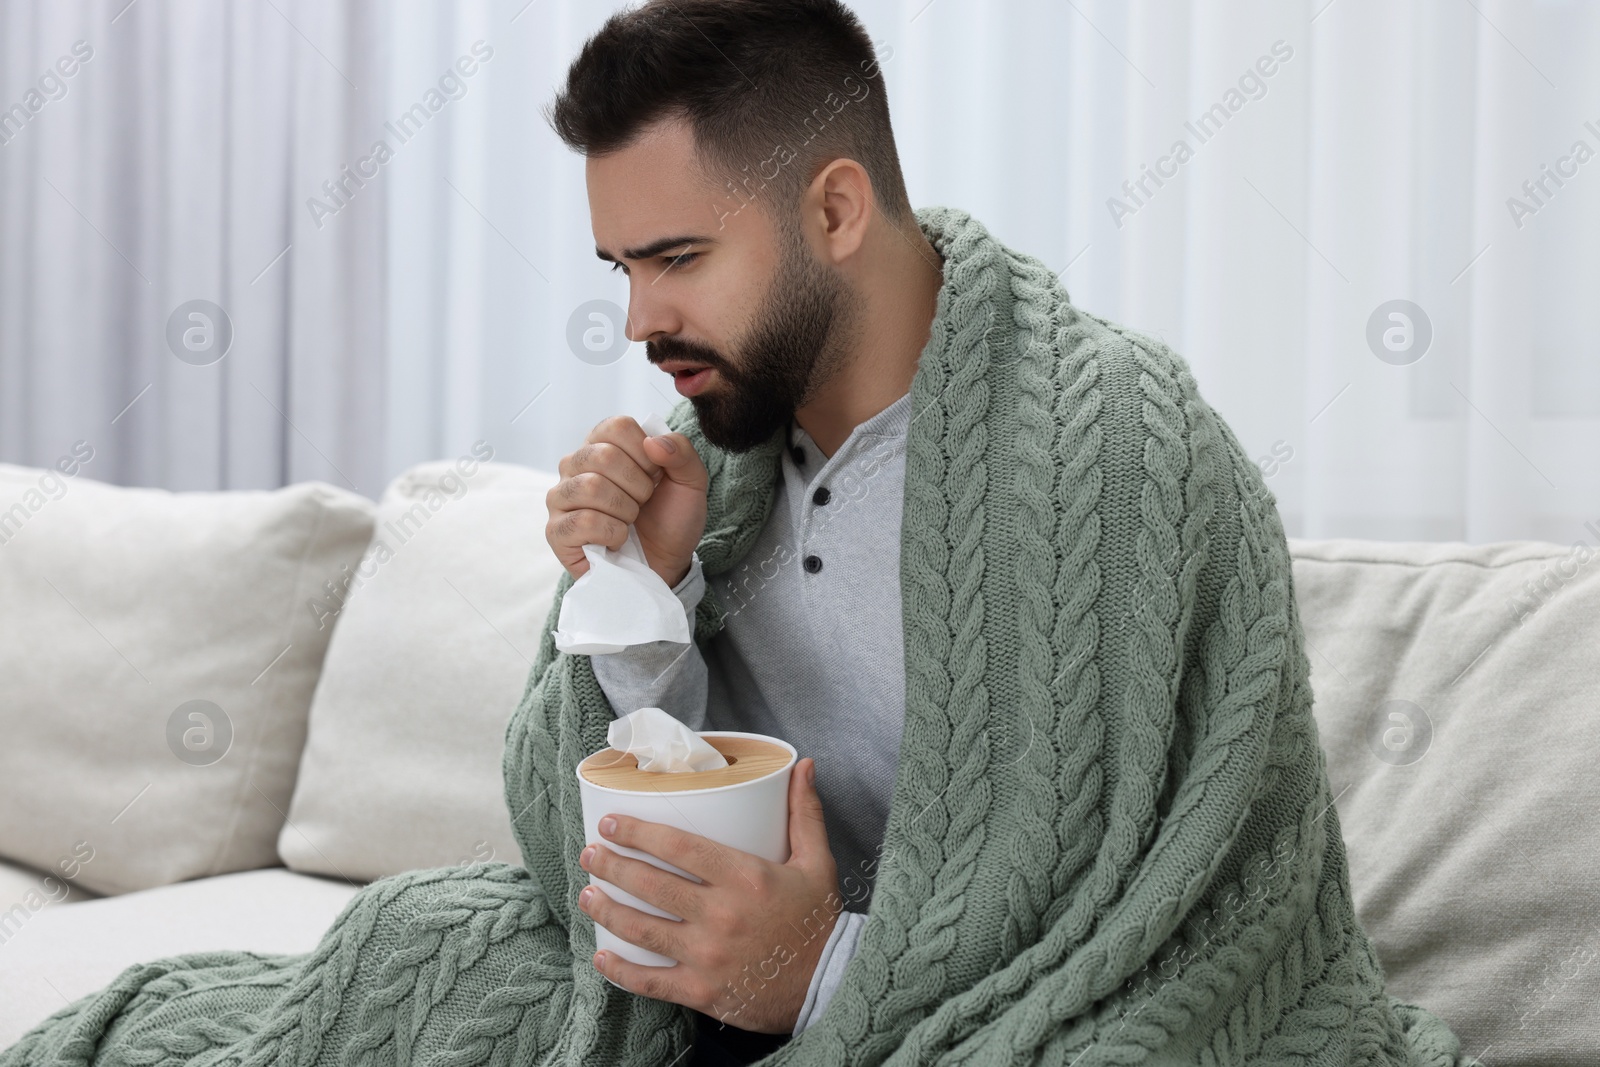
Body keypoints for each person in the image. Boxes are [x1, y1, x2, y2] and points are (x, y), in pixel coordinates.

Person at [0, 2, 1476, 1066]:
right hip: (712, 1002)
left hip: (969, 1007)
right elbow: (563, 848)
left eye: (677, 258)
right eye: (620, 267)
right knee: (420, 951)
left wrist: (818, 976)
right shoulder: (721, 458)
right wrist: (637, 594)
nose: (638, 318)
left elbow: (1155, 932)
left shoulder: (1117, 454)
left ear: (836, 210)